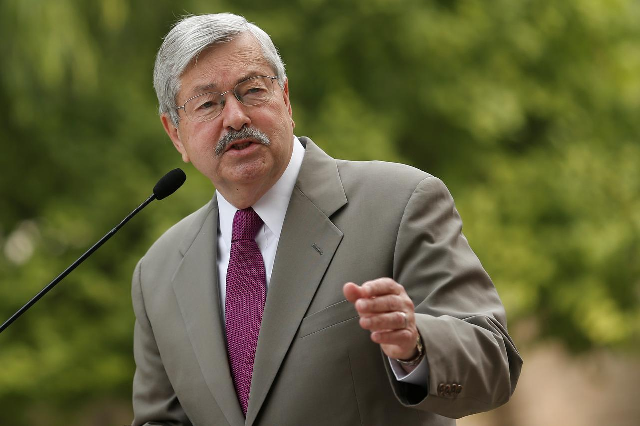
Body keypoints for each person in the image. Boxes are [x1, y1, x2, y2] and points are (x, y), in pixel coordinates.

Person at [131, 12, 522, 426]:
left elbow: (492, 360)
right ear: (175, 133)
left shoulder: (399, 202)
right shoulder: (157, 273)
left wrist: (418, 345)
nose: (235, 117)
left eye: (252, 90)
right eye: (208, 103)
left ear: (285, 99)